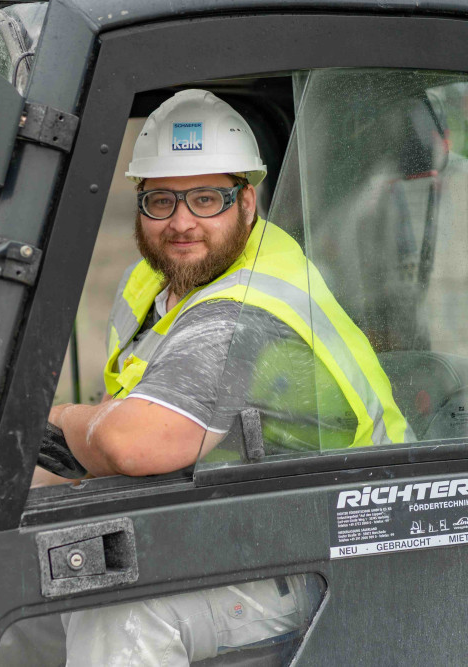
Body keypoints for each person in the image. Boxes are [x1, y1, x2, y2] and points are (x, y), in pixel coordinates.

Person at [42, 89, 411, 665]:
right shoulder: (153, 284)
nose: (181, 222)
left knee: (120, 611)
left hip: (337, 554)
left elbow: (134, 444)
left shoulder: (245, 306)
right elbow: (117, 421)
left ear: (247, 201)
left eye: (206, 199)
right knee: (16, 582)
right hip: (233, 524)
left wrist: (60, 418)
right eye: (161, 200)